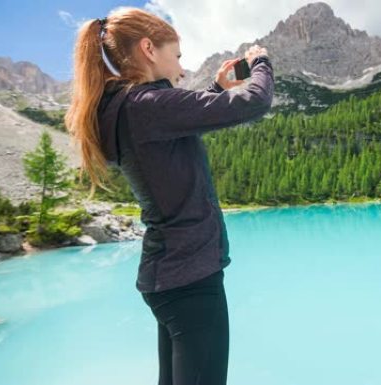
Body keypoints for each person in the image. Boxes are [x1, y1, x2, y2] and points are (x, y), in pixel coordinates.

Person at [64, 6, 274, 385]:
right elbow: (255, 101)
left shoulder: (129, 108)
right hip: (191, 276)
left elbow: (172, 129)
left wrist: (216, 89)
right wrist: (261, 63)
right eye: (176, 54)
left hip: (168, 276)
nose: (179, 64)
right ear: (148, 48)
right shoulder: (148, 105)